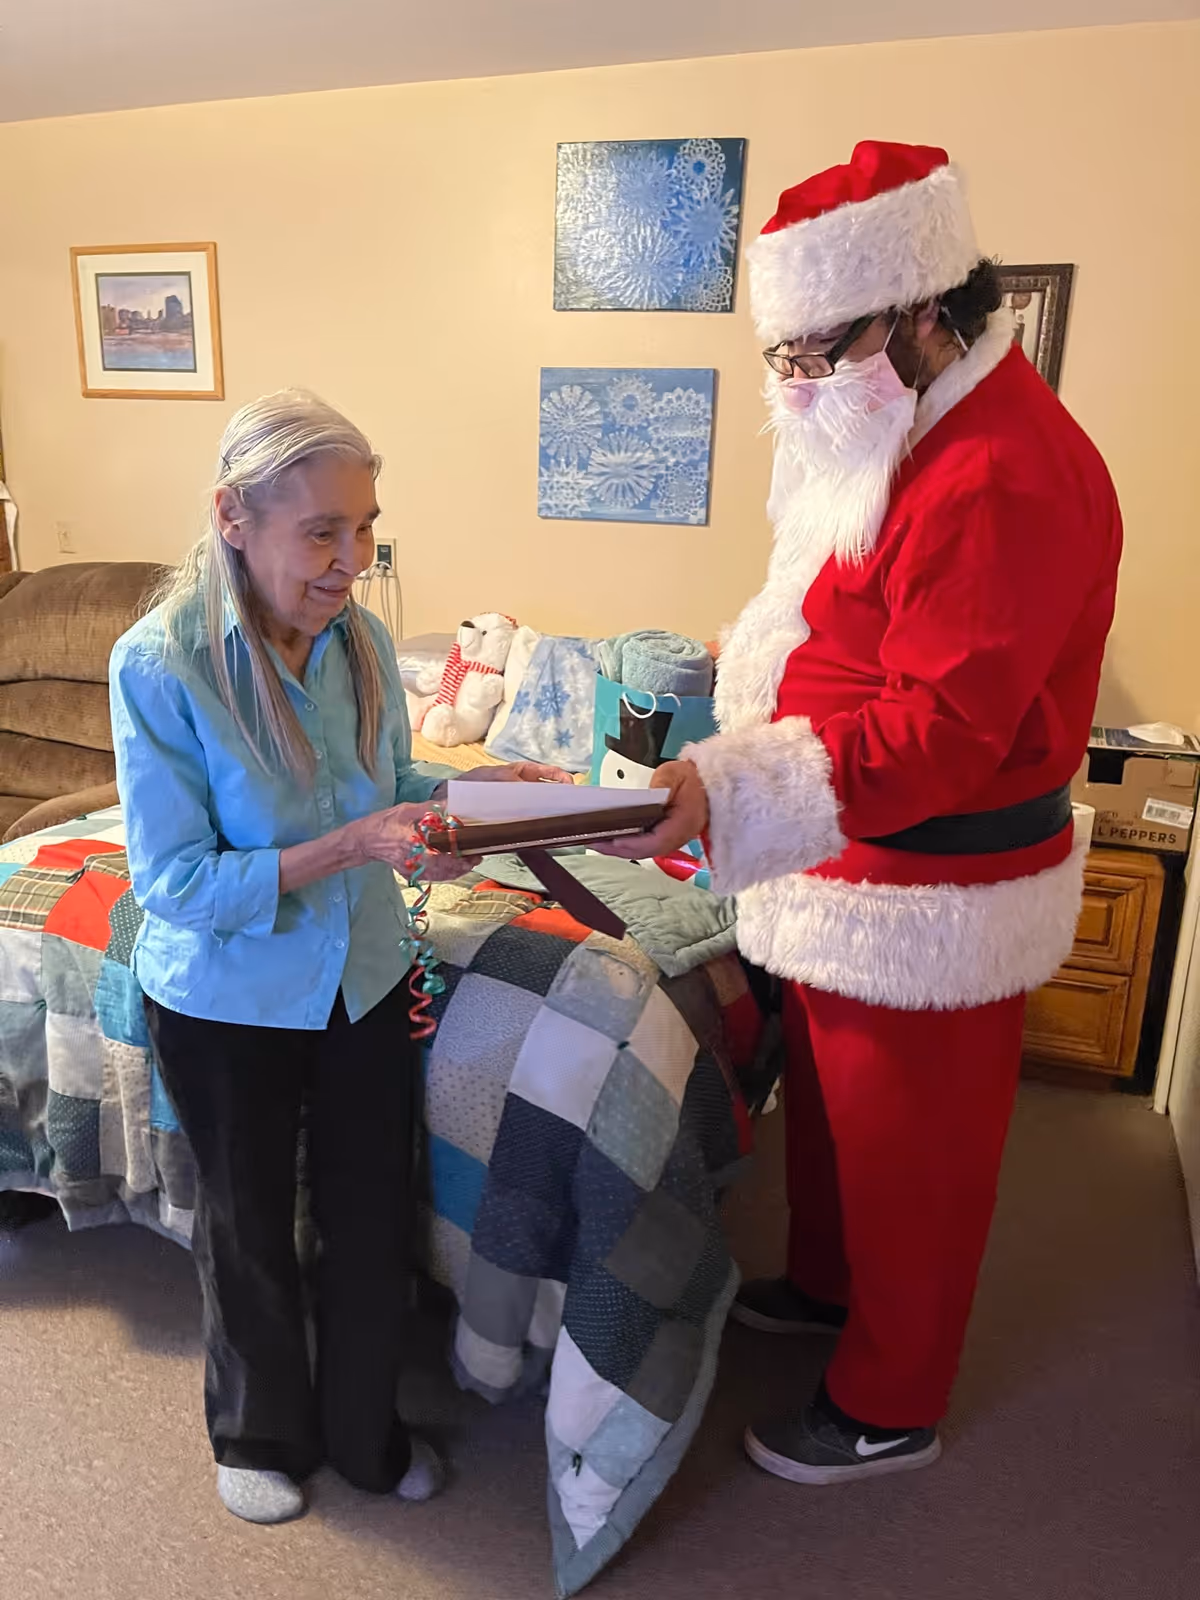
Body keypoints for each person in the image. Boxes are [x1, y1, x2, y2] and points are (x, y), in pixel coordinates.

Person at [602, 142, 1121, 1483]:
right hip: (843, 861)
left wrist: (727, 785)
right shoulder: (903, 429)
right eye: (785, 353)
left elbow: (943, 731)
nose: (797, 381)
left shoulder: (1002, 470)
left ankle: (892, 1398)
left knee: (915, 1161)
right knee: (836, 1123)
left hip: (931, 889)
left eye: (817, 349)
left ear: (923, 307)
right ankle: (832, 1292)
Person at [110, 389, 570, 1524]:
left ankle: (368, 1431)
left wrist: (475, 798)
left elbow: (387, 790)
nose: (351, 561)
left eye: (365, 527)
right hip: (223, 997)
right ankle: (259, 1429)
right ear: (232, 515)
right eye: (322, 531)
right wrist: (352, 844)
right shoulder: (161, 662)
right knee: (250, 1222)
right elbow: (171, 884)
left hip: (361, 974)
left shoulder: (359, 639)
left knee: (370, 1218)